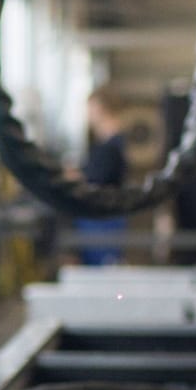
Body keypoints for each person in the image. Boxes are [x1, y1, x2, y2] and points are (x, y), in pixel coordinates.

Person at [74, 82, 136, 265]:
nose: (89, 115)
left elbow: (95, 181)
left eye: (91, 108)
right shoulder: (110, 145)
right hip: (100, 220)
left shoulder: (110, 148)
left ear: (101, 108)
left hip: (103, 223)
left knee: (103, 270)